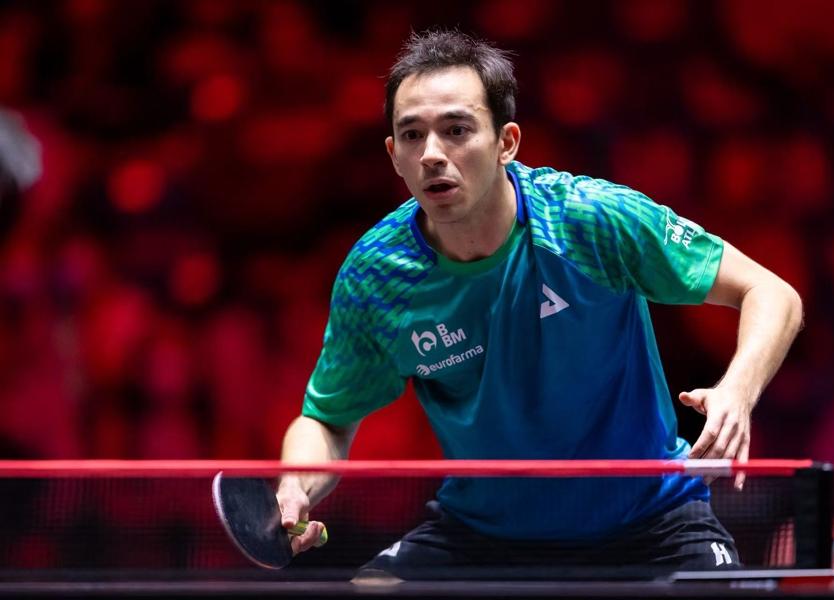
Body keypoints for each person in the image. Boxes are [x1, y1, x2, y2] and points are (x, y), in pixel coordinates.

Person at [275, 30, 803, 578]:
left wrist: (737, 392)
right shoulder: (378, 276)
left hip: (650, 522)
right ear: (394, 155)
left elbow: (772, 293)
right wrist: (296, 485)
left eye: (456, 130)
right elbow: (327, 421)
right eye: (412, 135)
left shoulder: (590, 220)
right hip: (480, 536)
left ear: (506, 142)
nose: (432, 154)